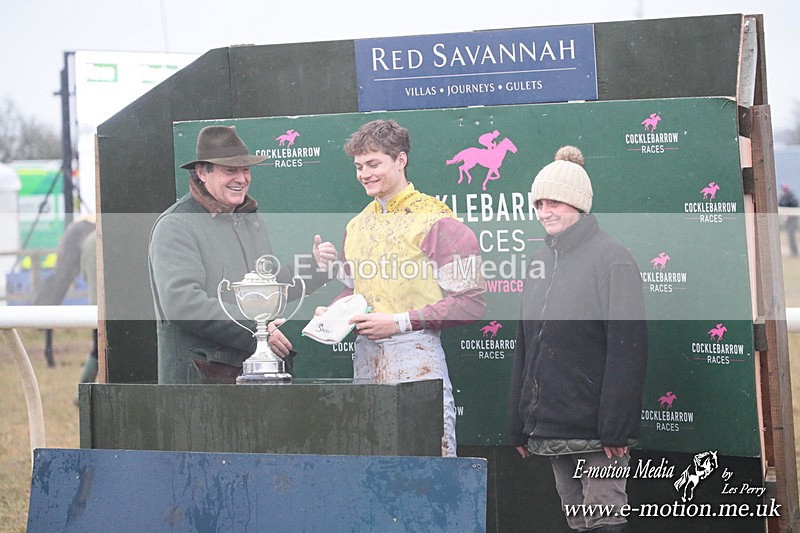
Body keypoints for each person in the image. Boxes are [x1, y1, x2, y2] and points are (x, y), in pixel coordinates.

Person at [320, 119, 486, 457]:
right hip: (365, 361)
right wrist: (336, 313)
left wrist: (398, 322)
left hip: (418, 357)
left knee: (428, 464)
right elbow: (355, 292)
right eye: (358, 166)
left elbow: (471, 303)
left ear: (400, 160)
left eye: (373, 163)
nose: (364, 174)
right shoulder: (357, 224)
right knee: (372, 466)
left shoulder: (438, 221)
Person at [507, 147, 648, 532]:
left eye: (556, 202)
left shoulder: (612, 258)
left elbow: (628, 348)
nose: (545, 211)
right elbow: (526, 346)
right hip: (550, 427)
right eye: (539, 202)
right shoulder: (540, 260)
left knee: (604, 520)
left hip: (598, 433)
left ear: (579, 204)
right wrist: (519, 424)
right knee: (578, 522)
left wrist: (616, 426)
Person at [148, 125, 337, 384]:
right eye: (229, 170)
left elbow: (265, 286)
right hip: (200, 387)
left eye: (245, 169)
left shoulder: (248, 218)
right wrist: (258, 332)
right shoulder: (176, 225)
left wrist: (315, 267)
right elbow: (183, 304)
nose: (241, 178)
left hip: (248, 378)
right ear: (202, 172)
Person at [779, 183, 798, 257]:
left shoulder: (791, 197)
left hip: (792, 220)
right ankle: (792, 250)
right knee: (790, 236)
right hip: (787, 221)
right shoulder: (783, 197)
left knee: (791, 236)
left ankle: (794, 251)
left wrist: (787, 215)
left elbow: (793, 206)